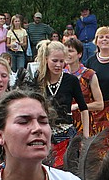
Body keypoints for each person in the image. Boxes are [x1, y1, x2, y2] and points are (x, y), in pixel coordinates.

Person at [30, 40, 89, 168]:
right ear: (46, 59)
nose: (58, 65)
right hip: (43, 135)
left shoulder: (71, 80)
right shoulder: (38, 80)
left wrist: (85, 136)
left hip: (67, 136)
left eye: (62, 61)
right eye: (54, 61)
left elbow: (84, 108)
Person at [64, 37, 104, 138]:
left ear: (79, 54)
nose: (67, 54)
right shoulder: (60, 74)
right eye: (65, 51)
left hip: (85, 123)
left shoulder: (89, 75)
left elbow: (100, 104)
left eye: (71, 51)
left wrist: (78, 106)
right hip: (64, 124)